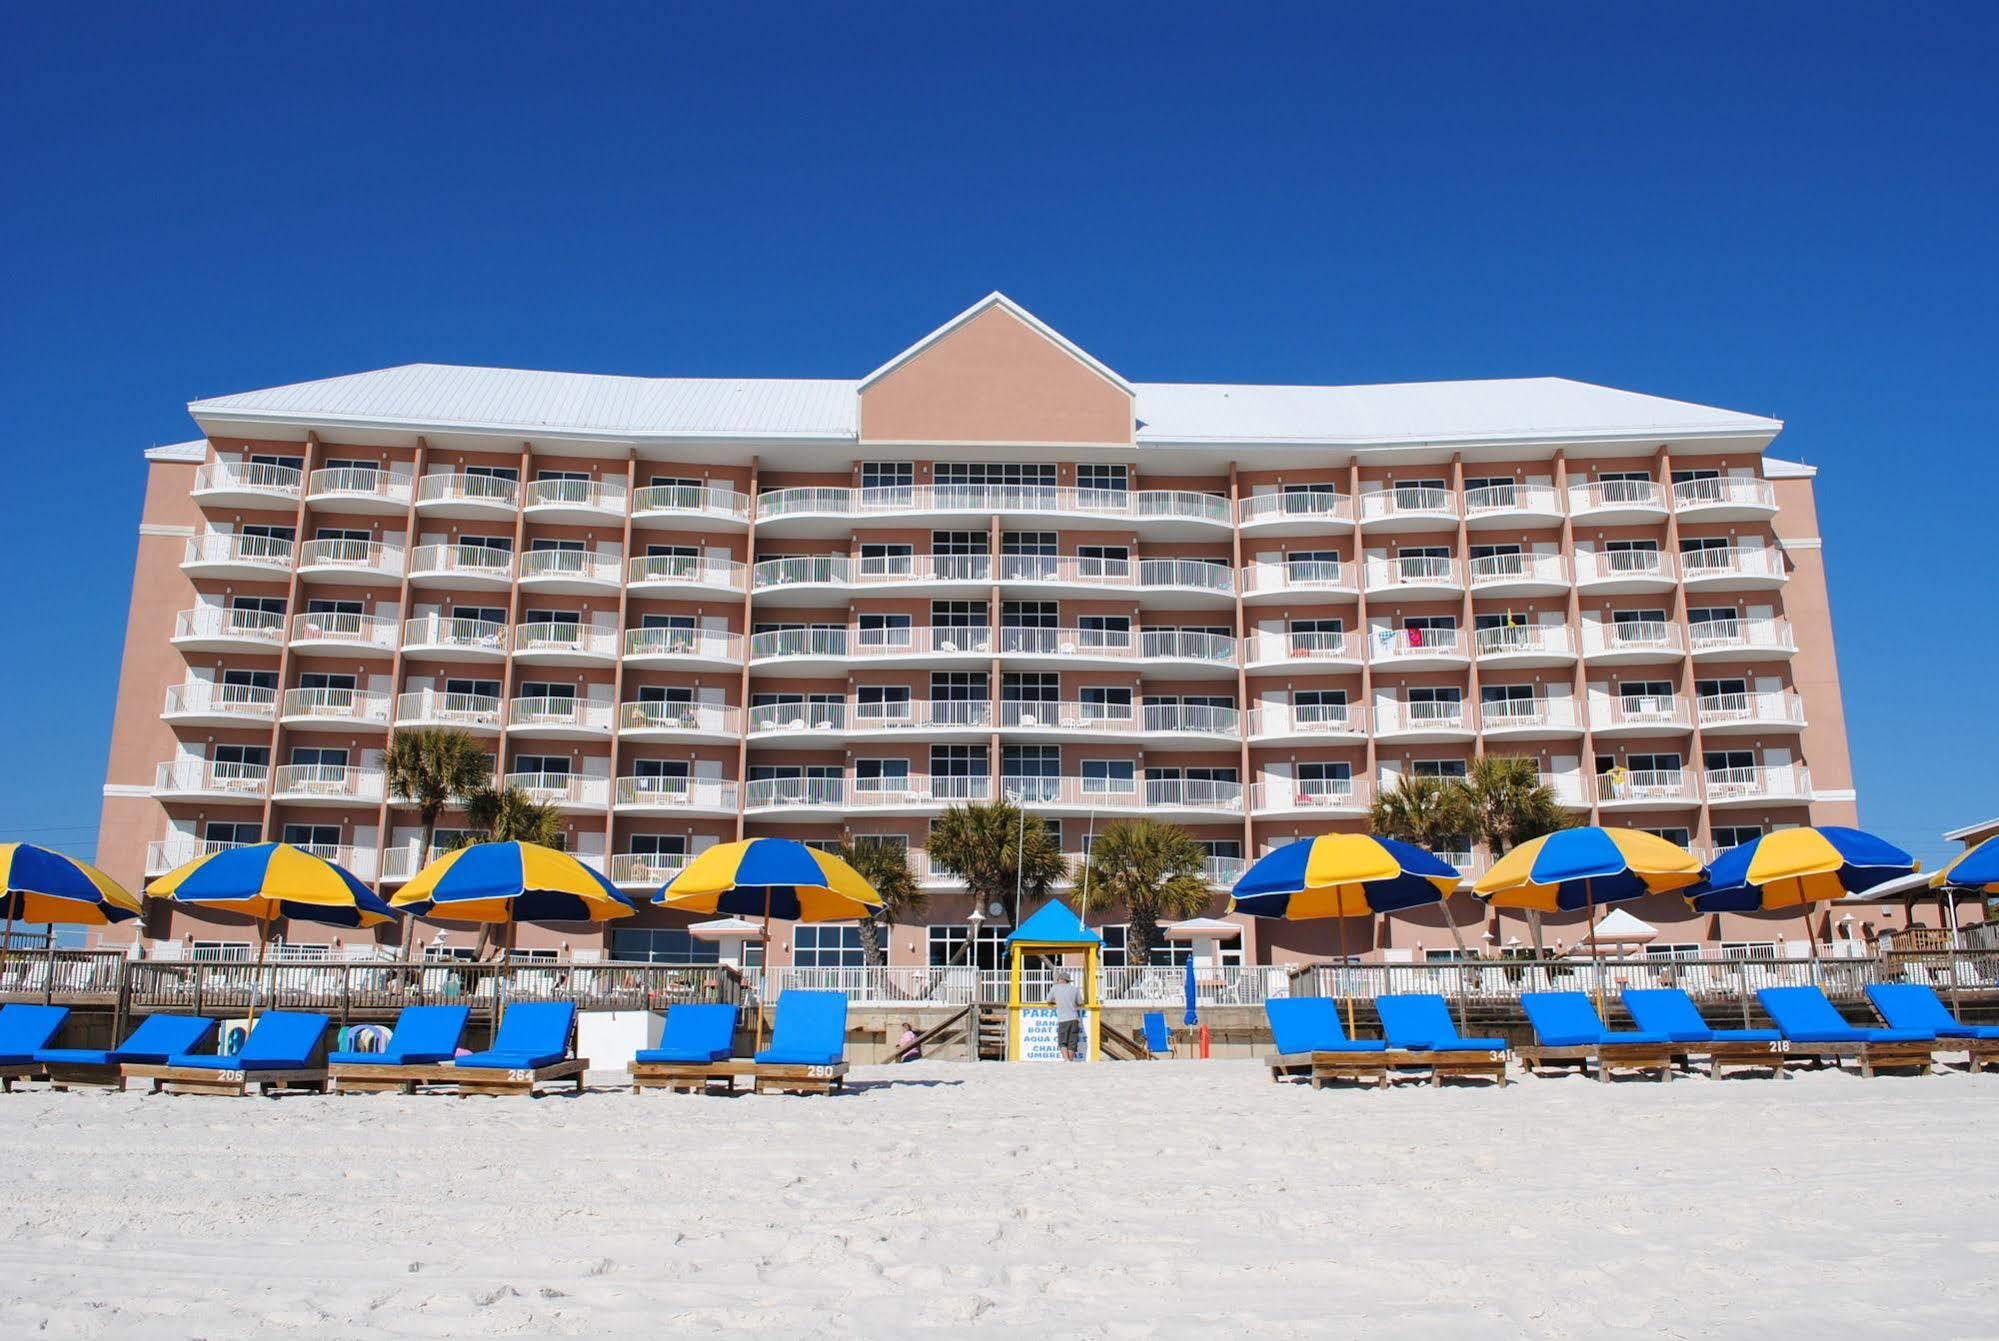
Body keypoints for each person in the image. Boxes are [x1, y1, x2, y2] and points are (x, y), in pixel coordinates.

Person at [1050, 970, 1084, 1061]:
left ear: (1061, 980)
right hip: (1074, 1018)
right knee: (1072, 1041)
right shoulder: (1075, 989)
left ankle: (1066, 1060)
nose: (1057, 981)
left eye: (1058, 979)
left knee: (1062, 1041)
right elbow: (1080, 1002)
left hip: (1063, 1019)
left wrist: (1056, 1001)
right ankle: (1070, 1060)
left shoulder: (1055, 988)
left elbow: (1048, 1000)